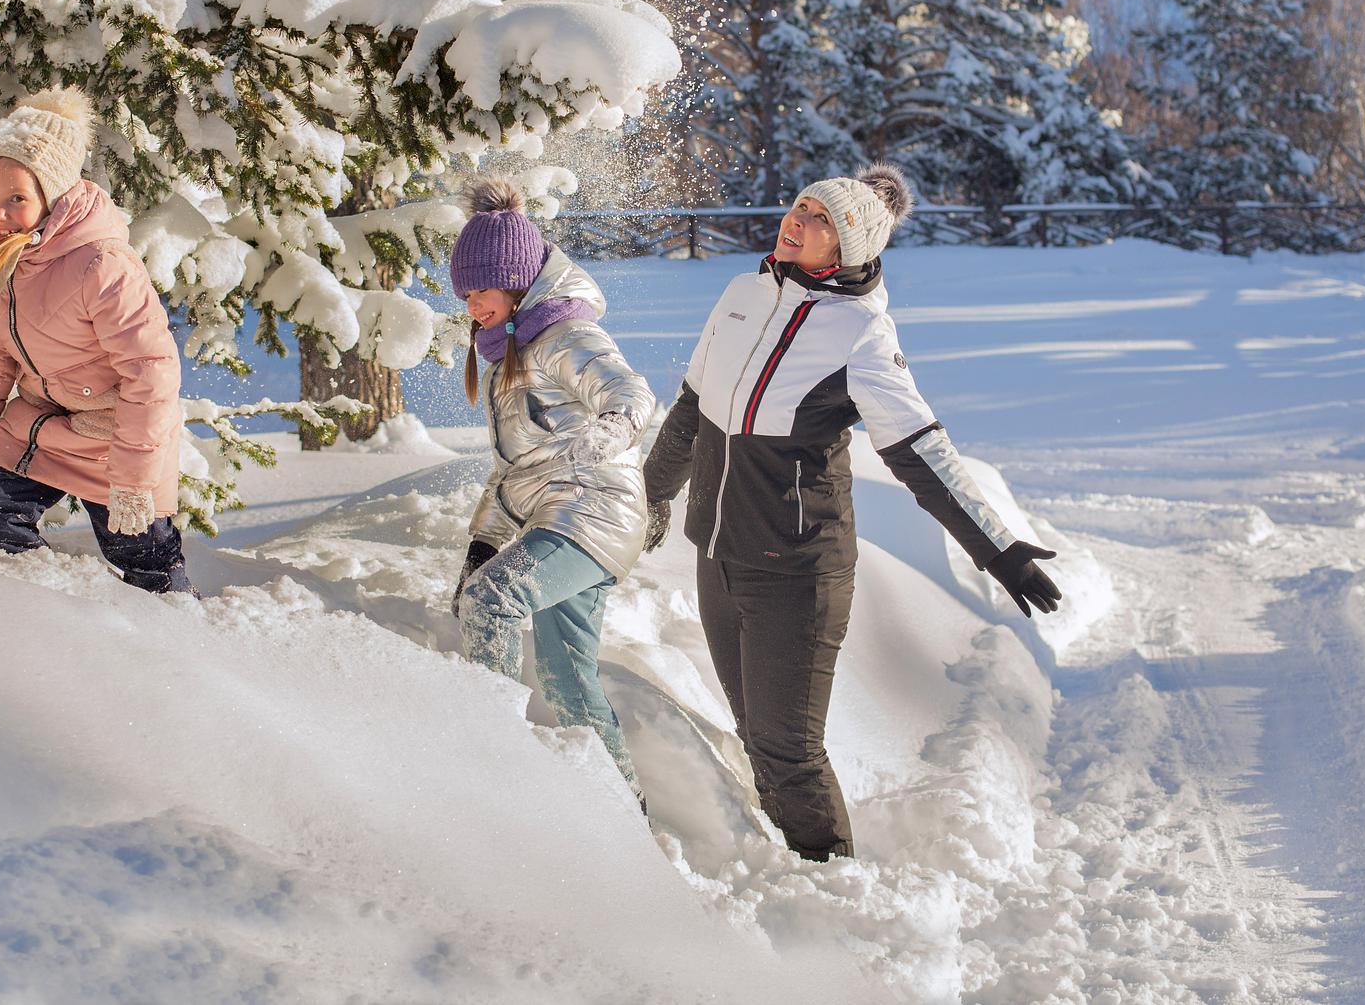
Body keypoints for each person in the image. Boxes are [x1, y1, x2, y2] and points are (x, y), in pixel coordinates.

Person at [642, 164, 1062, 861]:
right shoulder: (741, 295)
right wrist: (653, 491)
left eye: (822, 219)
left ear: (848, 249)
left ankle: (834, 890)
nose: (798, 219)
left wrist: (998, 547)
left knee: (790, 751)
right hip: (717, 557)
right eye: (801, 205)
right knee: (756, 737)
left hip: (796, 573)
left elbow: (921, 452)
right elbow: (692, 411)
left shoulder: (861, 332)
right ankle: (786, 872)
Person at [0, 87, 190, 595]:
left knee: (142, 556)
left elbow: (151, 372)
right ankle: (44, 609)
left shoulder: (101, 265)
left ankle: (183, 624)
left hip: (115, 436)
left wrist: (135, 479)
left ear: (53, 197)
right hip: (42, 428)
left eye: (16, 200)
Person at [449, 176, 655, 803]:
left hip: (594, 514)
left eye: (479, 290)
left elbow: (631, 396)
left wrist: (601, 440)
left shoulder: (565, 336)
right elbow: (513, 474)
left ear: (513, 280)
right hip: (558, 520)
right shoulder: (512, 353)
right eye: (463, 294)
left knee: (492, 603)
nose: (471, 304)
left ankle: (492, 767)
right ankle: (624, 816)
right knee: (568, 679)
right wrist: (483, 545)